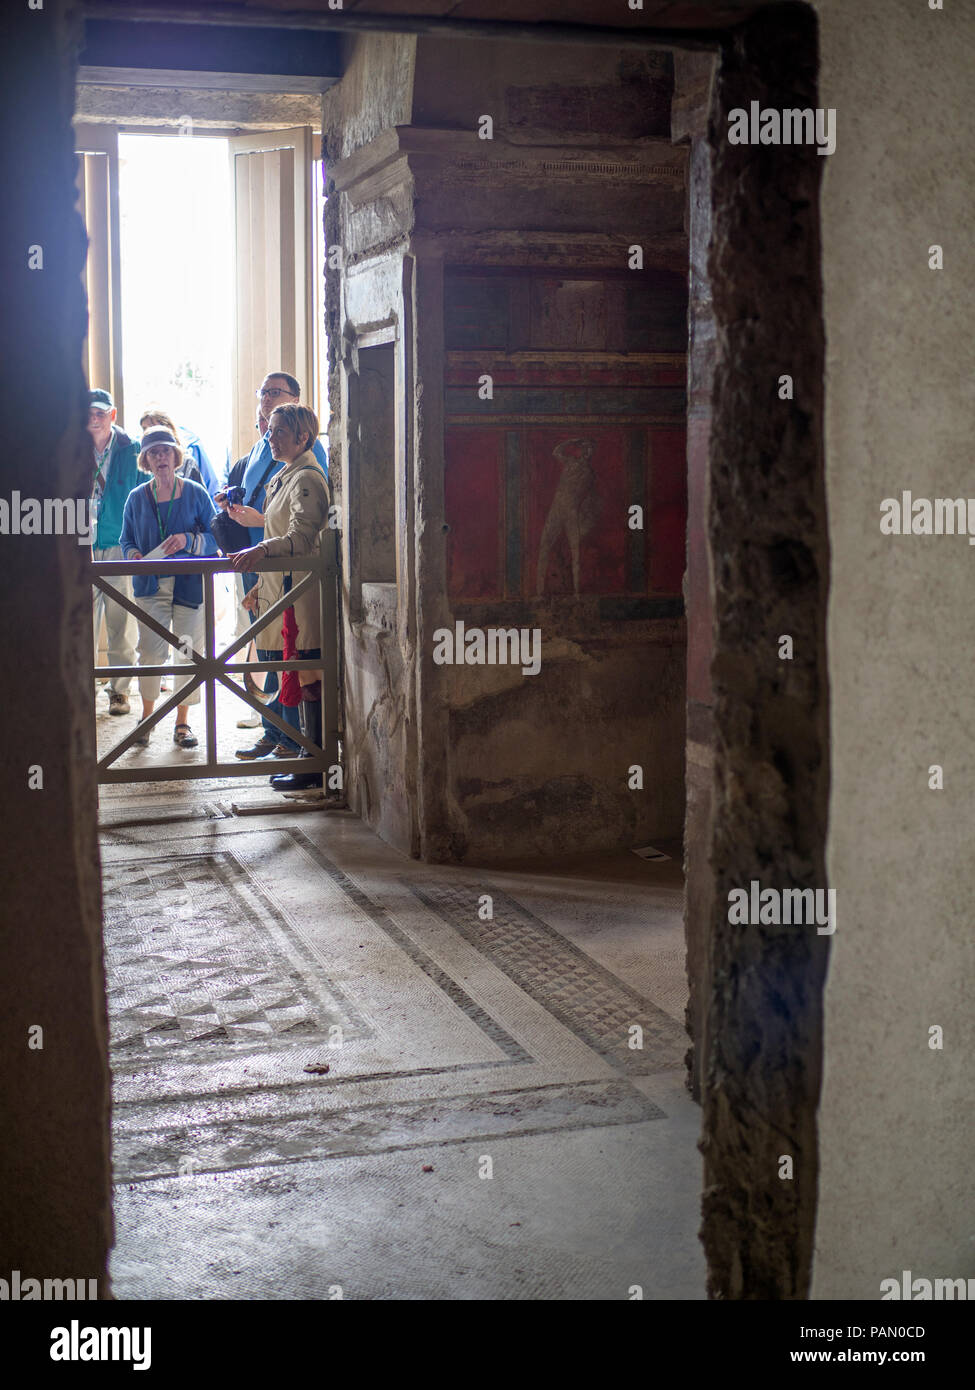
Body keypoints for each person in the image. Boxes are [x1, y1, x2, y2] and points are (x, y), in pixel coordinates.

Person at [218, 372, 328, 763]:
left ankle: (309, 758)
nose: (271, 437)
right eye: (271, 430)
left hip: (298, 593)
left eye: (280, 432)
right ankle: (290, 746)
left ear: (303, 438)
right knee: (281, 670)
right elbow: (278, 525)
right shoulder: (284, 474)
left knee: (304, 678)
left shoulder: (307, 479)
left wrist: (262, 549)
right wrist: (257, 586)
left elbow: (300, 538)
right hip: (277, 588)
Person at [119, 427, 217, 749]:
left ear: (176, 456)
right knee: (150, 654)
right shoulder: (136, 497)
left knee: (187, 653)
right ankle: (146, 719)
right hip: (150, 586)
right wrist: (133, 554)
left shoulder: (195, 492)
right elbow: (126, 540)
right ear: (145, 460)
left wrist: (189, 540)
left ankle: (182, 722)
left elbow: (217, 537)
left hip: (189, 586)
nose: (160, 457)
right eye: (154, 453)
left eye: (166, 451)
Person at [88, 387, 142, 716]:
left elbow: (144, 496)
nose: (93, 418)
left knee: (120, 620)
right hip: (80, 543)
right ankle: (82, 688)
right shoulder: (72, 449)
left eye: (99, 412)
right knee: (82, 621)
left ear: (112, 415)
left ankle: (120, 691)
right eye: (88, 412)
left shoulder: (132, 448)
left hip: (118, 542)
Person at [138, 407, 220, 497]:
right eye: (144, 429)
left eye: (152, 426)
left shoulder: (188, 462)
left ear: (167, 428)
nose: (148, 432)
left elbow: (204, 495)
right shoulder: (145, 466)